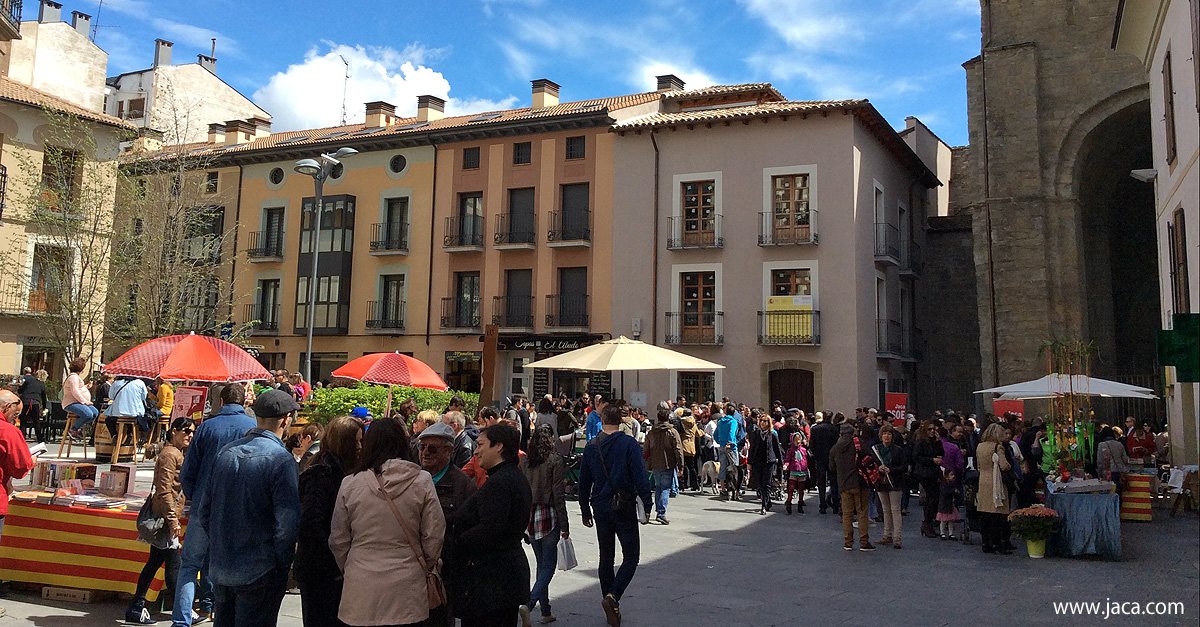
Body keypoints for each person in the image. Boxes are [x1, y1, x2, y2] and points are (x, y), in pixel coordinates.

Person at [194, 389, 301, 626]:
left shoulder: (226, 453)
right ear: (286, 420)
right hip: (260, 569)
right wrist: (282, 563)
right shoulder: (281, 460)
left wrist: (221, 545)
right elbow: (287, 525)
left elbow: (204, 512)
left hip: (223, 567)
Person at [329, 417, 444, 627]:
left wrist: (351, 565)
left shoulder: (350, 484)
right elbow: (434, 533)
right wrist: (425, 563)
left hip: (360, 585)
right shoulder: (422, 481)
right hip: (407, 586)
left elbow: (338, 538)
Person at [173, 384, 257, 627]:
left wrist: (194, 495)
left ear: (221, 401)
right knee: (225, 566)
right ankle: (217, 614)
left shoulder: (207, 427)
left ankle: (181, 620)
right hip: (236, 507)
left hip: (203, 503)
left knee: (190, 564)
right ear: (245, 402)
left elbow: (188, 470)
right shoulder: (251, 428)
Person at [450, 423, 532, 627]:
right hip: (501, 580)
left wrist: (457, 542)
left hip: (492, 584)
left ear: (499, 447)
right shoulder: (510, 477)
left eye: (481, 445)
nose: (476, 451)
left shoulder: (501, 482)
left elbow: (490, 529)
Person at [577, 404, 652, 627]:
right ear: (620, 420)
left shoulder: (592, 445)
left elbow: (584, 482)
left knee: (605, 557)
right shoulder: (629, 443)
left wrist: (584, 509)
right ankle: (614, 596)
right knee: (631, 556)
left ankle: (611, 603)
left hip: (600, 506)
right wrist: (647, 504)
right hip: (624, 504)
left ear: (601, 420)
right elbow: (640, 476)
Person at [296, 416, 363, 627]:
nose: (360, 447)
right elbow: (312, 525)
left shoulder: (342, 471)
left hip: (333, 569)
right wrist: (333, 566)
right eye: (357, 441)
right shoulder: (321, 475)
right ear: (344, 443)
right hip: (321, 572)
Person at [126, 418, 194, 624]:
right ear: (173, 431)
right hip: (165, 518)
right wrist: (173, 521)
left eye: (193, 431)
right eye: (186, 431)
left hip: (166, 516)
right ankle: (182, 611)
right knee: (174, 566)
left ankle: (136, 608)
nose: (190, 435)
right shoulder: (169, 455)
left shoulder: (174, 453)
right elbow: (164, 491)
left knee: (156, 562)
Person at [417, 422, 476, 627]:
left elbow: (467, 530)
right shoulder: (412, 478)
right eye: (421, 447)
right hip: (412, 570)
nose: (425, 452)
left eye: (432, 448)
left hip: (444, 574)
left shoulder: (462, 485)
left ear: (449, 452)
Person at [520, 424, 569, 625]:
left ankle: (546, 610)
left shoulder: (525, 461)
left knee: (541, 565)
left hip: (530, 514)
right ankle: (530, 604)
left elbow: (521, 490)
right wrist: (565, 524)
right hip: (548, 513)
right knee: (549, 566)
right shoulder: (555, 460)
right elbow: (558, 494)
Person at [0, 390, 35, 618]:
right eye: (16, 410)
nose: (17, 415)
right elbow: (22, 466)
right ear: (6, 407)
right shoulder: (7, 431)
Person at [830, 423, 874, 551]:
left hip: (844, 484)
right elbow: (869, 457)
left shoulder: (836, 447)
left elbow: (831, 467)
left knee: (847, 514)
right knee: (862, 512)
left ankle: (848, 542)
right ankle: (864, 541)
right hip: (859, 482)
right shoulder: (858, 443)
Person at [643, 406, 683, 524]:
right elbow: (678, 450)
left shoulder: (651, 432)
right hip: (668, 463)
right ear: (668, 419)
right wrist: (680, 465)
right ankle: (661, 513)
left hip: (655, 463)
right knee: (665, 488)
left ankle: (658, 510)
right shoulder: (672, 432)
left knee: (658, 487)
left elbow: (646, 448)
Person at [976, 423, 1012, 555]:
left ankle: (986, 542)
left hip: (983, 480)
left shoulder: (980, 446)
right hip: (996, 482)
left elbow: (978, 465)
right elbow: (1004, 465)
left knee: (985, 513)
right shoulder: (998, 447)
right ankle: (997, 543)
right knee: (998, 514)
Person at [870, 424, 906, 548]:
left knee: (895, 510)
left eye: (889, 434)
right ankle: (887, 535)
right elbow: (871, 464)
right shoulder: (876, 449)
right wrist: (878, 468)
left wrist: (891, 469)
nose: (886, 436)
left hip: (895, 482)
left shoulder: (898, 450)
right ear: (881, 436)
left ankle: (897, 537)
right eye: (884, 433)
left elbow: (903, 467)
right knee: (885, 509)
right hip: (881, 482)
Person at [913, 420, 943, 539]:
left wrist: (938, 441)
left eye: (933, 429)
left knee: (933, 498)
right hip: (924, 473)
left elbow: (941, 453)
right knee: (932, 498)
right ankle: (927, 523)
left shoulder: (934, 442)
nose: (932, 431)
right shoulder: (920, 442)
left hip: (933, 472)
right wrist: (931, 460)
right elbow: (916, 457)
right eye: (929, 429)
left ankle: (928, 522)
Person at [747, 411, 782, 515]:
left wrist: (781, 463)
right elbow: (752, 449)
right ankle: (768, 501)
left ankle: (763, 506)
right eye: (761, 420)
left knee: (767, 483)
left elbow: (777, 450)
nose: (762, 423)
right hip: (758, 461)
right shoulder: (756, 434)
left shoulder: (772, 434)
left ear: (769, 422)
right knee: (760, 483)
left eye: (765, 421)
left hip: (769, 462)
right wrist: (749, 462)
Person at [103, 376, 148, 447]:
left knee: (109, 420)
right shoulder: (140, 383)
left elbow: (111, 396)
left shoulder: (116, 383)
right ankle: (130, 433)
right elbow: (143, 397)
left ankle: (114, 434)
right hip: (135, 412)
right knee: (132, 419)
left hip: (118, 412)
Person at [808, 411, 839, 514]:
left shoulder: (816, 429)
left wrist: (815, 453)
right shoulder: (834, 429)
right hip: (832, 458)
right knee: (834, 482)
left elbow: (811, 444)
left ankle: (822, 505)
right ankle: (835, 506)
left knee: (821, 483)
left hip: (820, 458)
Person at [62, 359, 99, 442]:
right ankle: (74, 429)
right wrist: (84, 401)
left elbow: (78, 389)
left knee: (95, 413)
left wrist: (86, 387)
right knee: (88, 414)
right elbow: (75, 391)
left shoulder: (76, 378)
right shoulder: (73, 378)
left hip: (78, 402)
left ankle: (79, 427)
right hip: (71, 402)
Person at [713, 408, 743, 500]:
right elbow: (731, 433)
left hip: (722, 446)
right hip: (731, 447)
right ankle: (735, 490)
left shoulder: (720, 421)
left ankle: (723, 489)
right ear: (734, 413)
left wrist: (720, 442)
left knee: (723, 467)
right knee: (734, 468)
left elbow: (715, 434)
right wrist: (729, 443)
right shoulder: (733, 421)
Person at [1097, 426, 1131, 492]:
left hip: (1107, 472)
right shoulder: (1119, 444)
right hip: (1119, 471)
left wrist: (1099, 472)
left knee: (1109, 491)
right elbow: (1125, 458)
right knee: (1118, 490)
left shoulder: (1101, 445)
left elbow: (1100, 461)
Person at [17, 367, 46, 441]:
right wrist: (44, 407)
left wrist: (17, 387)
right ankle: (39, 438)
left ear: (24, 372)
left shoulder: (25, 379)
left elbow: (20, 390)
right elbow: (44, 397)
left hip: (26, 401)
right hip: (36, 402)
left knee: (23, 420)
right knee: (36, 420)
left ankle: (23, 436)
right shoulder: (40, 384)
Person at [782, 432, 809, 515]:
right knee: (791, 488)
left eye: (799, 440)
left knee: (801, 489)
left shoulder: (803, 450)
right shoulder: (790, 451)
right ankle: (789, 502)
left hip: (802, 471)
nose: (797, 442)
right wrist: (786, 465)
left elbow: (806, 459)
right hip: (793, 471)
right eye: (796, 440)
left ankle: (800, 503)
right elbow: (787, 460)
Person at [678, 410, 703, 492]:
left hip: (683, 445)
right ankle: (695, 484)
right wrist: (702, 432)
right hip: (691, 446)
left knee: (683, 466)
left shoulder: (681, 422)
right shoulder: (693, 423)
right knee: (692, 467)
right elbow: (698, 434)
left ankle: (683, 484)